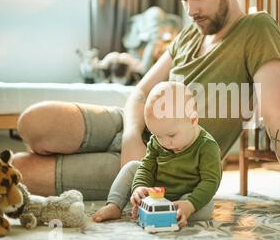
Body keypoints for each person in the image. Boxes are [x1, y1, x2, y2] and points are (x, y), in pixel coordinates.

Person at [13, 0, 280, 223]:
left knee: (19, 169)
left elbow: (275, 118)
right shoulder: (190, 33)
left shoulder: (258, 29)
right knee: (34, 122)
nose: (191, 10)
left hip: (165, 163)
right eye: (183, 0)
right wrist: (133, 134)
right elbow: (140, 92)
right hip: (130, 131)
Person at [93, 81, 222, 227]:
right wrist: (139, 188)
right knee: (132, 167)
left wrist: (190, 204)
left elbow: (210, 182)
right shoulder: (157, 141)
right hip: (154, 194)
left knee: (206, 205)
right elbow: (146, 168)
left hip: (185, 196)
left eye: (171, 135)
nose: (165, 142)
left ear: (193, 120)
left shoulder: (207, 146)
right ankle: (114, 205)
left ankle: (176, 213)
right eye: (158, 136)